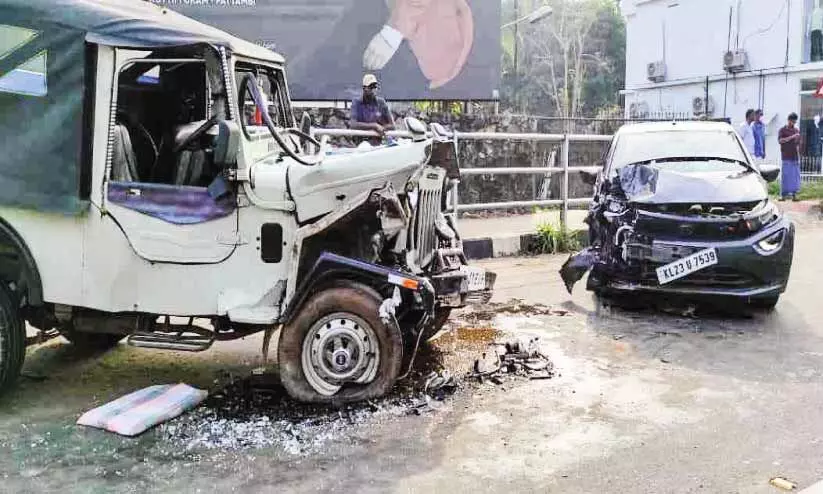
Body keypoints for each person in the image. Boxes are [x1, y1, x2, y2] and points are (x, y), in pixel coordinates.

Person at [350, 73, 395, 146]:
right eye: (371, 87)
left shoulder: (381, 102)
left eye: (375, 86)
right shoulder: (356, 103)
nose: (373, 89)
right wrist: (374, 126)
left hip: (379, 144)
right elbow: (353, 124)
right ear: (364, 88)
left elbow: (392, 125)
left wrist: (382, 128)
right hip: (361, 144)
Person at [778, 113, 802, 202]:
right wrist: (792, 137)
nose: (794, 123)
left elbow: (798, 144)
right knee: (785, 176)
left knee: (795, 176)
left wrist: (797, 139)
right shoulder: (782, 130)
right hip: (786, 156)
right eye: (792, 121)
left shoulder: (796, 130)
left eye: (795, 122)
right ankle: (783, 195)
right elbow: (780, 140)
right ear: (788, 120)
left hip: (795, 156)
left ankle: (794, 195)